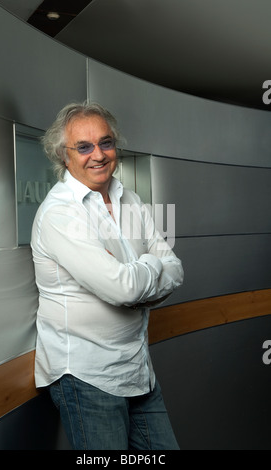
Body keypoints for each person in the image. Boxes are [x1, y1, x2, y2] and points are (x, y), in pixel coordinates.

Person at [31, 101, 184, 450]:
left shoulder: (129, 197)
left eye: (106, 142)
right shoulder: (60, 213)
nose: (97, 154)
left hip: (137, 369)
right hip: (87, 377)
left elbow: (175, 268)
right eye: (83, 147)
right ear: (63, 156)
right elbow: (123, 289)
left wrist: (139, 271)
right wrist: (149, 267)